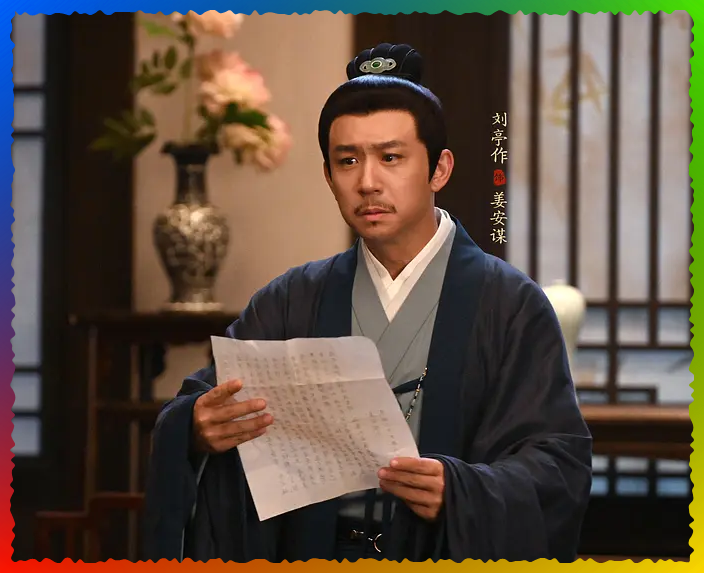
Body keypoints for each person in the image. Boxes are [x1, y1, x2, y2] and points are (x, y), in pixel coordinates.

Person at [142, 43, 593, 563]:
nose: (367, 182)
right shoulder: (292, 299)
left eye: (391, 157)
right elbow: (202, 403)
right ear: (328, 175)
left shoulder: (510, 304)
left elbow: (558, 462)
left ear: (440, 169)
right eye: (348, 161)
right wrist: (196, 428)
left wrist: (462, 492)